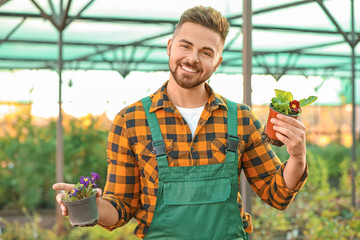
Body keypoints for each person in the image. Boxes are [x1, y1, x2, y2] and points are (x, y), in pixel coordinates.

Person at [53, 6, 308, 240]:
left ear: (217, 62)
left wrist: (297, 158)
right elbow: (121, 205)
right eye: (185, 46)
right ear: (170, 46)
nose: (192, 58)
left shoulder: (240, 119)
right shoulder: (130, 121)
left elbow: (276, 194)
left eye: (206, 52)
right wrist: (91, 204)